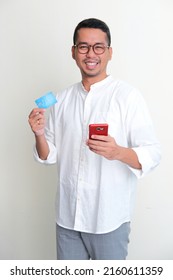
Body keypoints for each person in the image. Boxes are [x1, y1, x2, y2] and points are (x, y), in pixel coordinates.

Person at [28, 18, 161, 260]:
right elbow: (48, 156)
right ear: (73, 52)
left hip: (108, 220)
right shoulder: (62, 99)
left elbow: (153, 153)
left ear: (109, 53)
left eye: (98, 46)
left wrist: (118, 152)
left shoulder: (128, 96)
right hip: (67, 220)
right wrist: (39, 134)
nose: (91, 53)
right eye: (83, 46)